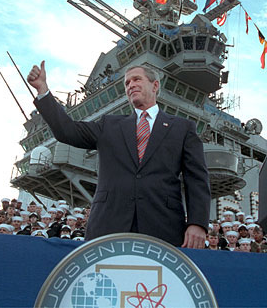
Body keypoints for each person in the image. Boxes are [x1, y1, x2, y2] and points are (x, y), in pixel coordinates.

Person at [27, 62, 211, 248]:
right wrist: (43, 90)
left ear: (155, 85)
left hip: (163, 226)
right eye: (127, 83)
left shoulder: (182, 128)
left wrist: (197, 223)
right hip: (109, 224)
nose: (130, 85)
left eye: (137, 79)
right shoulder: (109, 125)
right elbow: (67, 131)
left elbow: (197, 178)